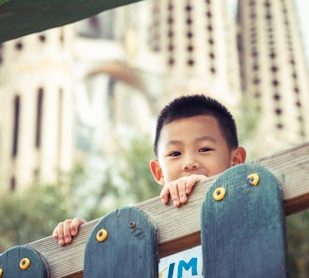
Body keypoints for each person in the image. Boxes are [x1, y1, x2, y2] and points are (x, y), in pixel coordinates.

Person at [52, 94, 247, 247]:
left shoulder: (252, 209)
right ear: (159, 172)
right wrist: (89, 240)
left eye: (204, 149)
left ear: (236, 161)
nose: (189, 163)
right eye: (175, 153)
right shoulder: (145, 235)